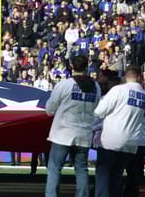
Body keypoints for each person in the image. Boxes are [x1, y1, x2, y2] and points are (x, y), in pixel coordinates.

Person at [44, 55, 101, 197]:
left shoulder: (65, 85)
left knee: (55, 168)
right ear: (86, 67)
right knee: (81, 169)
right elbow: (97, 108)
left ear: (71, 66)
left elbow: (49, 109)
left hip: (63, 133)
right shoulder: (96, 86)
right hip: (84, 133)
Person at [93, 65, 145, 197]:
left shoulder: (119, 90)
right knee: (117, 175)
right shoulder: (143, 95)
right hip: (131, 142)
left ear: (125, 76)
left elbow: (99, 111)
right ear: (140, 77)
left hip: (111, 140)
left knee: (103, 175)